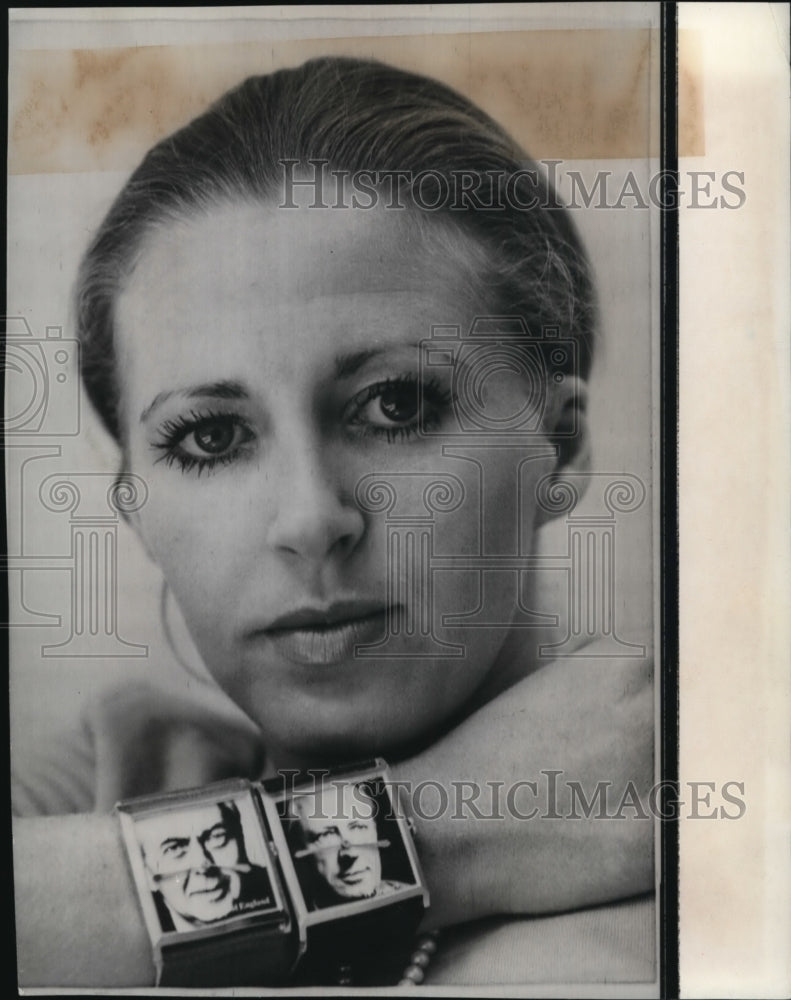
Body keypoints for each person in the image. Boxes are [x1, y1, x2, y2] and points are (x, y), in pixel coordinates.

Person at [13, 56, 655, 987]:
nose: (311, 518)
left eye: (394, 406)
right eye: (212, 436)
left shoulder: (713, 856)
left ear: (555, 447)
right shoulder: (110, 773)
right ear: (135, 505)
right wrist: (424, 833)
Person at [136, 800, 274, 931]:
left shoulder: (278, 889)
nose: (202, 864)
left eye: (217, 837)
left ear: (241, 838)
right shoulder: (137, 936)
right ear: (147, 875)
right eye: (174, 848)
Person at [287, 784, 407, 908]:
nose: (351, 853)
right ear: (297, 850)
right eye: (325, 835)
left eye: (359, 827)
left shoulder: (408, 900)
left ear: (375, 830)